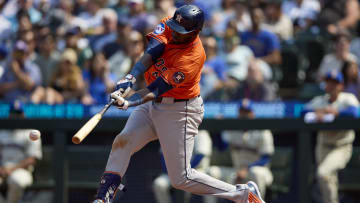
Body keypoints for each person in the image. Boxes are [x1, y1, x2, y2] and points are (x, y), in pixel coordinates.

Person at [92, 5, 265, 203]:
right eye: (174, 27)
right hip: (152, 105)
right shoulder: (171, 23)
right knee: (123, 141)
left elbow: (156, 89)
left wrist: (128, 101)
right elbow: (152, 51)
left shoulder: (193, 57)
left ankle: (244, 195)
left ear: (196, 31)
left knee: (181, 178)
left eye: (182, 32)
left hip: (180, 110)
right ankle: (104, 198)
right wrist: (131, 76)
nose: (175, 32)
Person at [302, 71, 359, 203]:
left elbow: (355, 112)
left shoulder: (347, 98)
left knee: (323, 173)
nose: (331, 86)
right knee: (327, 179)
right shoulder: (320, 100)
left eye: (335, 83)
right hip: (323, 146)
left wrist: (336, 112)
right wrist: (319, 112)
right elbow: (302, 111)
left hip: (341, 146)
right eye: (329, 82)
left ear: (341, 85)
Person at [207, 99, 274, 201]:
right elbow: (221, 147)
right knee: (211, 172)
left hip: (259, 170)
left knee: (256, 173)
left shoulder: (262, 131)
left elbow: (266, 158)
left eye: (247, 112)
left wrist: (247, 169)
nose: (244, 115)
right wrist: (218, 127)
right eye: (242, 112)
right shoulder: (233, 129)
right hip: (237, 171)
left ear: (253, 113)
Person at [152, 130, 212, 203]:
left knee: (204, 183)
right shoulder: (171, 131)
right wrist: (170, 172)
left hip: (197, 170)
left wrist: (185, 171)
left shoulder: (202, 133)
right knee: (159, 184)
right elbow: (163, 155)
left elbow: (200, 155)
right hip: (173, 172)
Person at [0, 101, 43, 203]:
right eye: (13, 114)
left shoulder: (30, 132)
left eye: (18, 114)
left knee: (16, 181)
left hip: (21, 171)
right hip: (2, 169)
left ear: (23, 115)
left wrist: (11, 169)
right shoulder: (2, 133)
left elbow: (32, 159)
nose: (15, 117)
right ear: (9, 115)